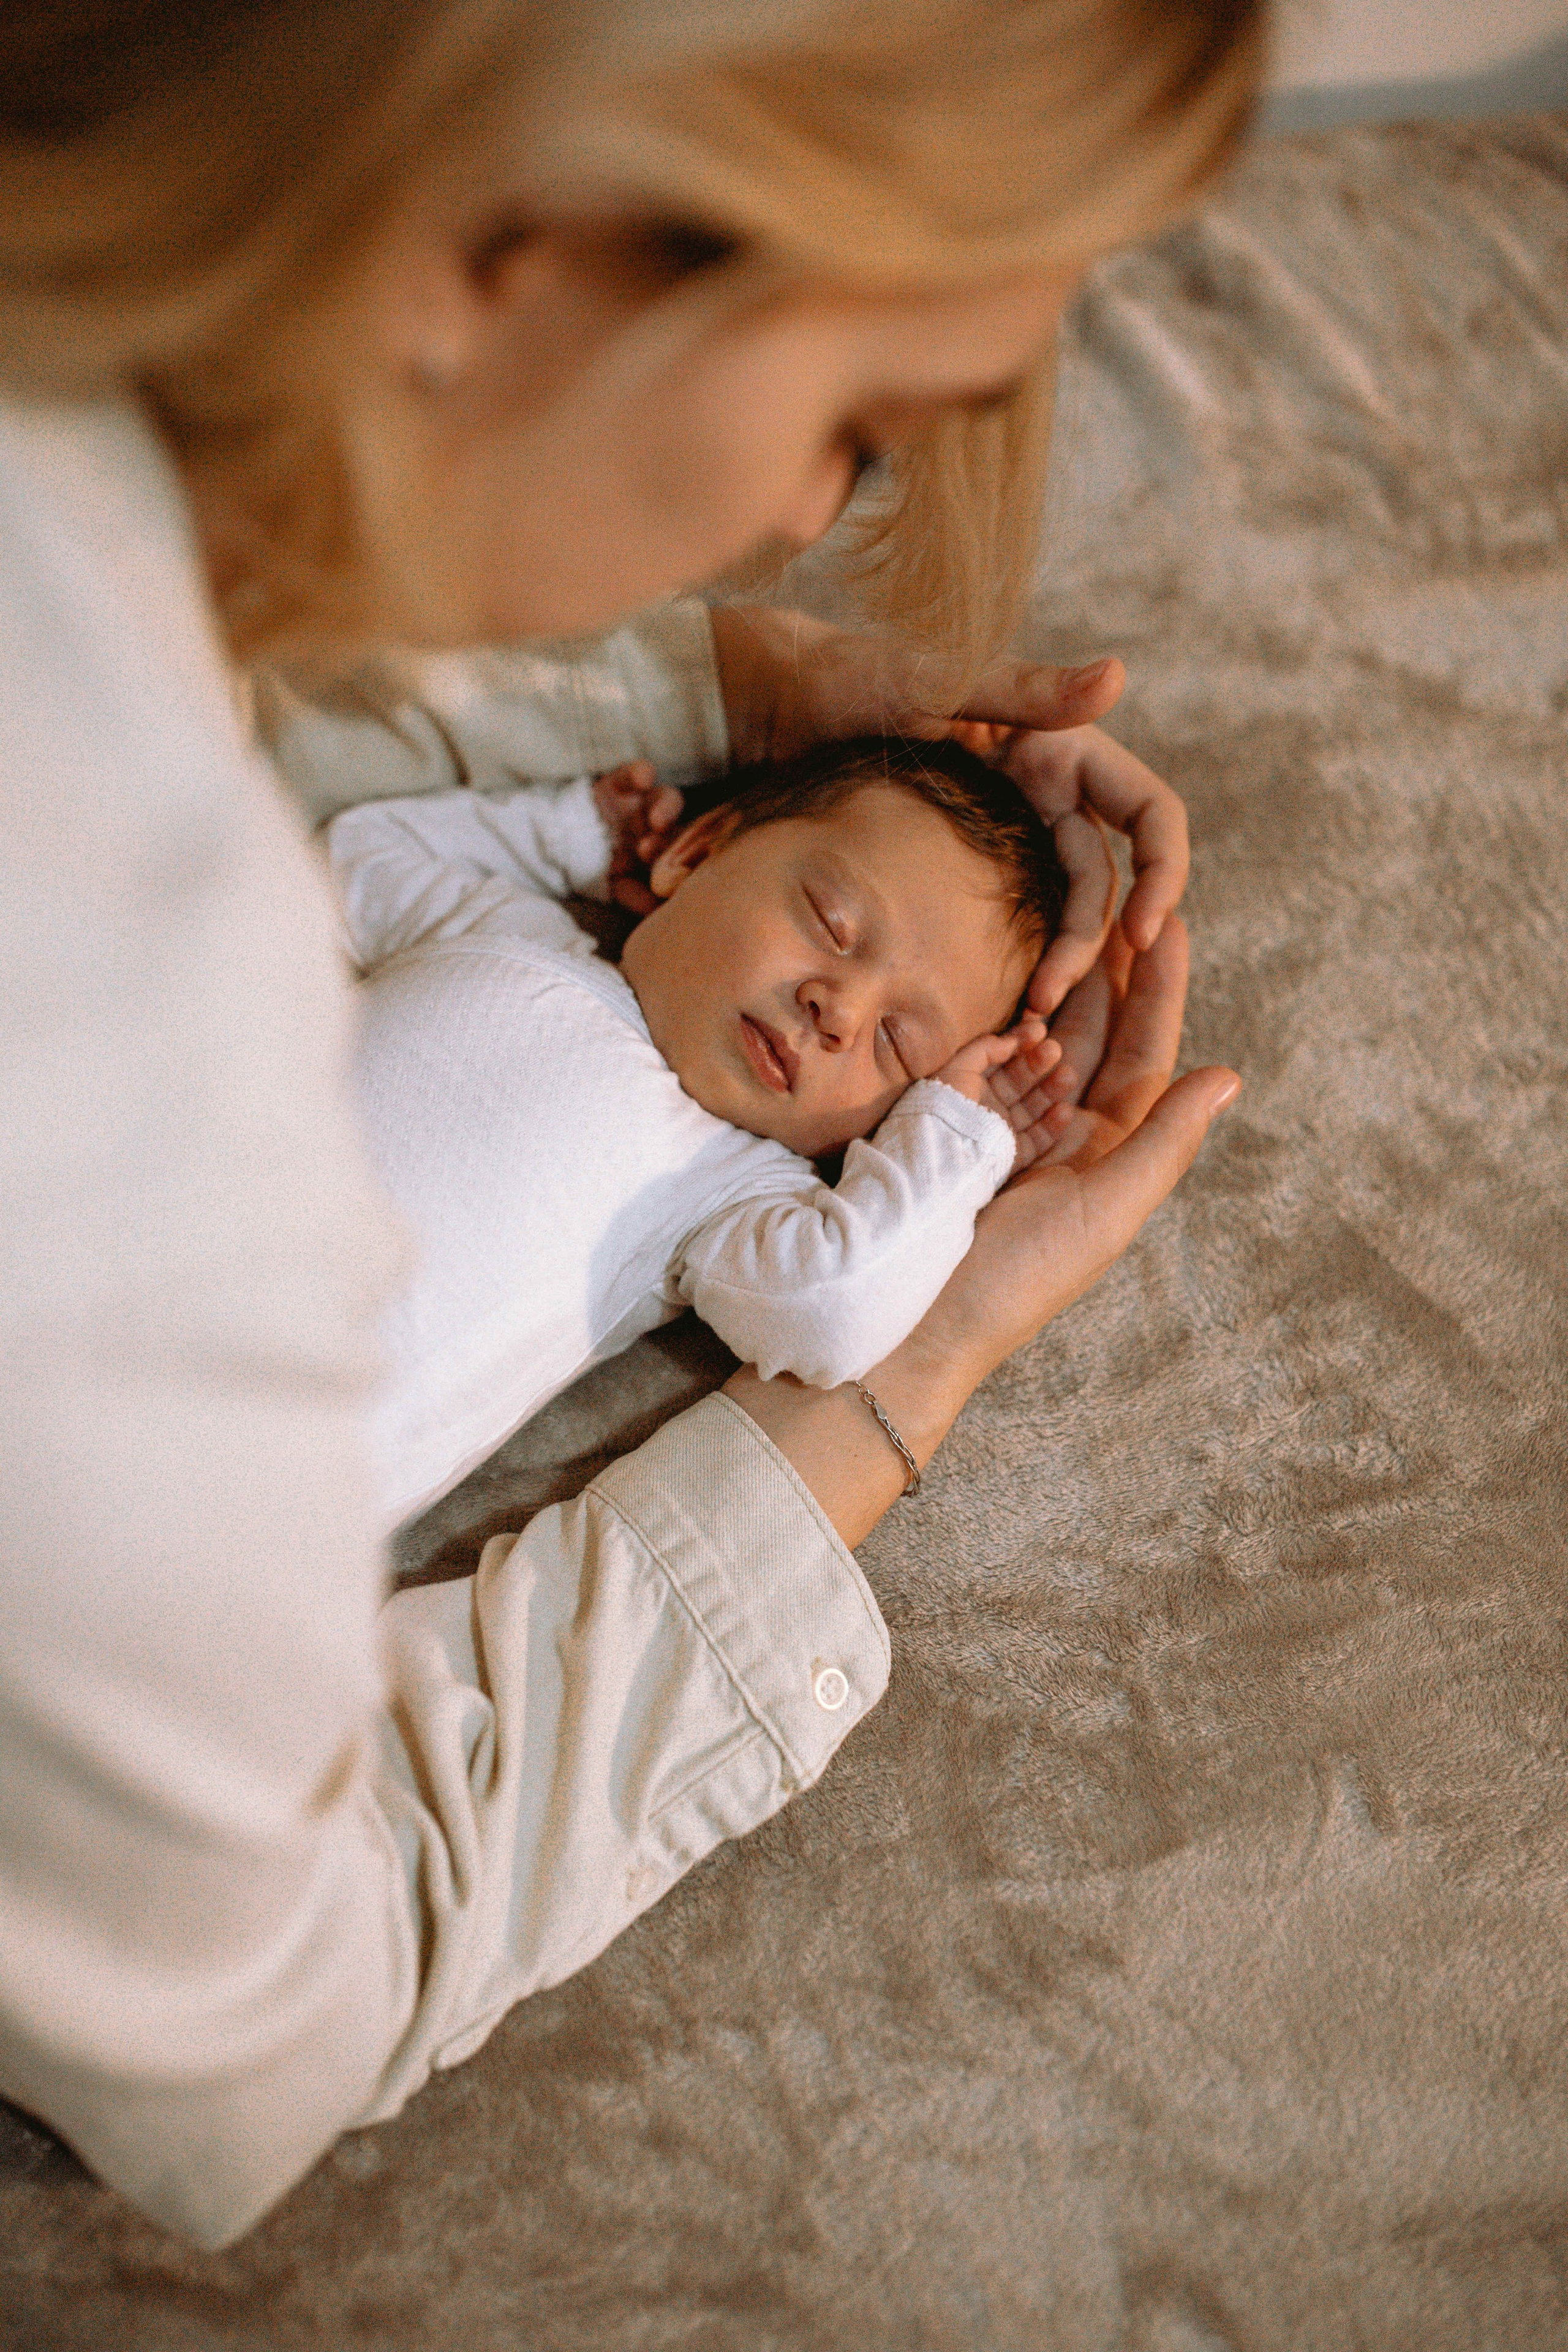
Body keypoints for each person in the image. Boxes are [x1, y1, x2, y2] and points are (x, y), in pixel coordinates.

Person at [0, 0, 1258, 2248]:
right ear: (535, 217)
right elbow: (272, 2043)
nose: (797, 523)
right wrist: (920, 1378)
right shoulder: (158, 1149)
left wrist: (757, 723)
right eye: (854, 430)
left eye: (898, 1029)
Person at [322, 736, 1072, 1528]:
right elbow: (354, 858)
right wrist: (573, 835)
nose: (841, 1010)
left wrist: (953, 1138)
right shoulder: (506, 931)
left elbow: (834, 1311)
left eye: (899, 1043)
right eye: (831, 924)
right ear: (696, 850)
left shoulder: (730, 1183)